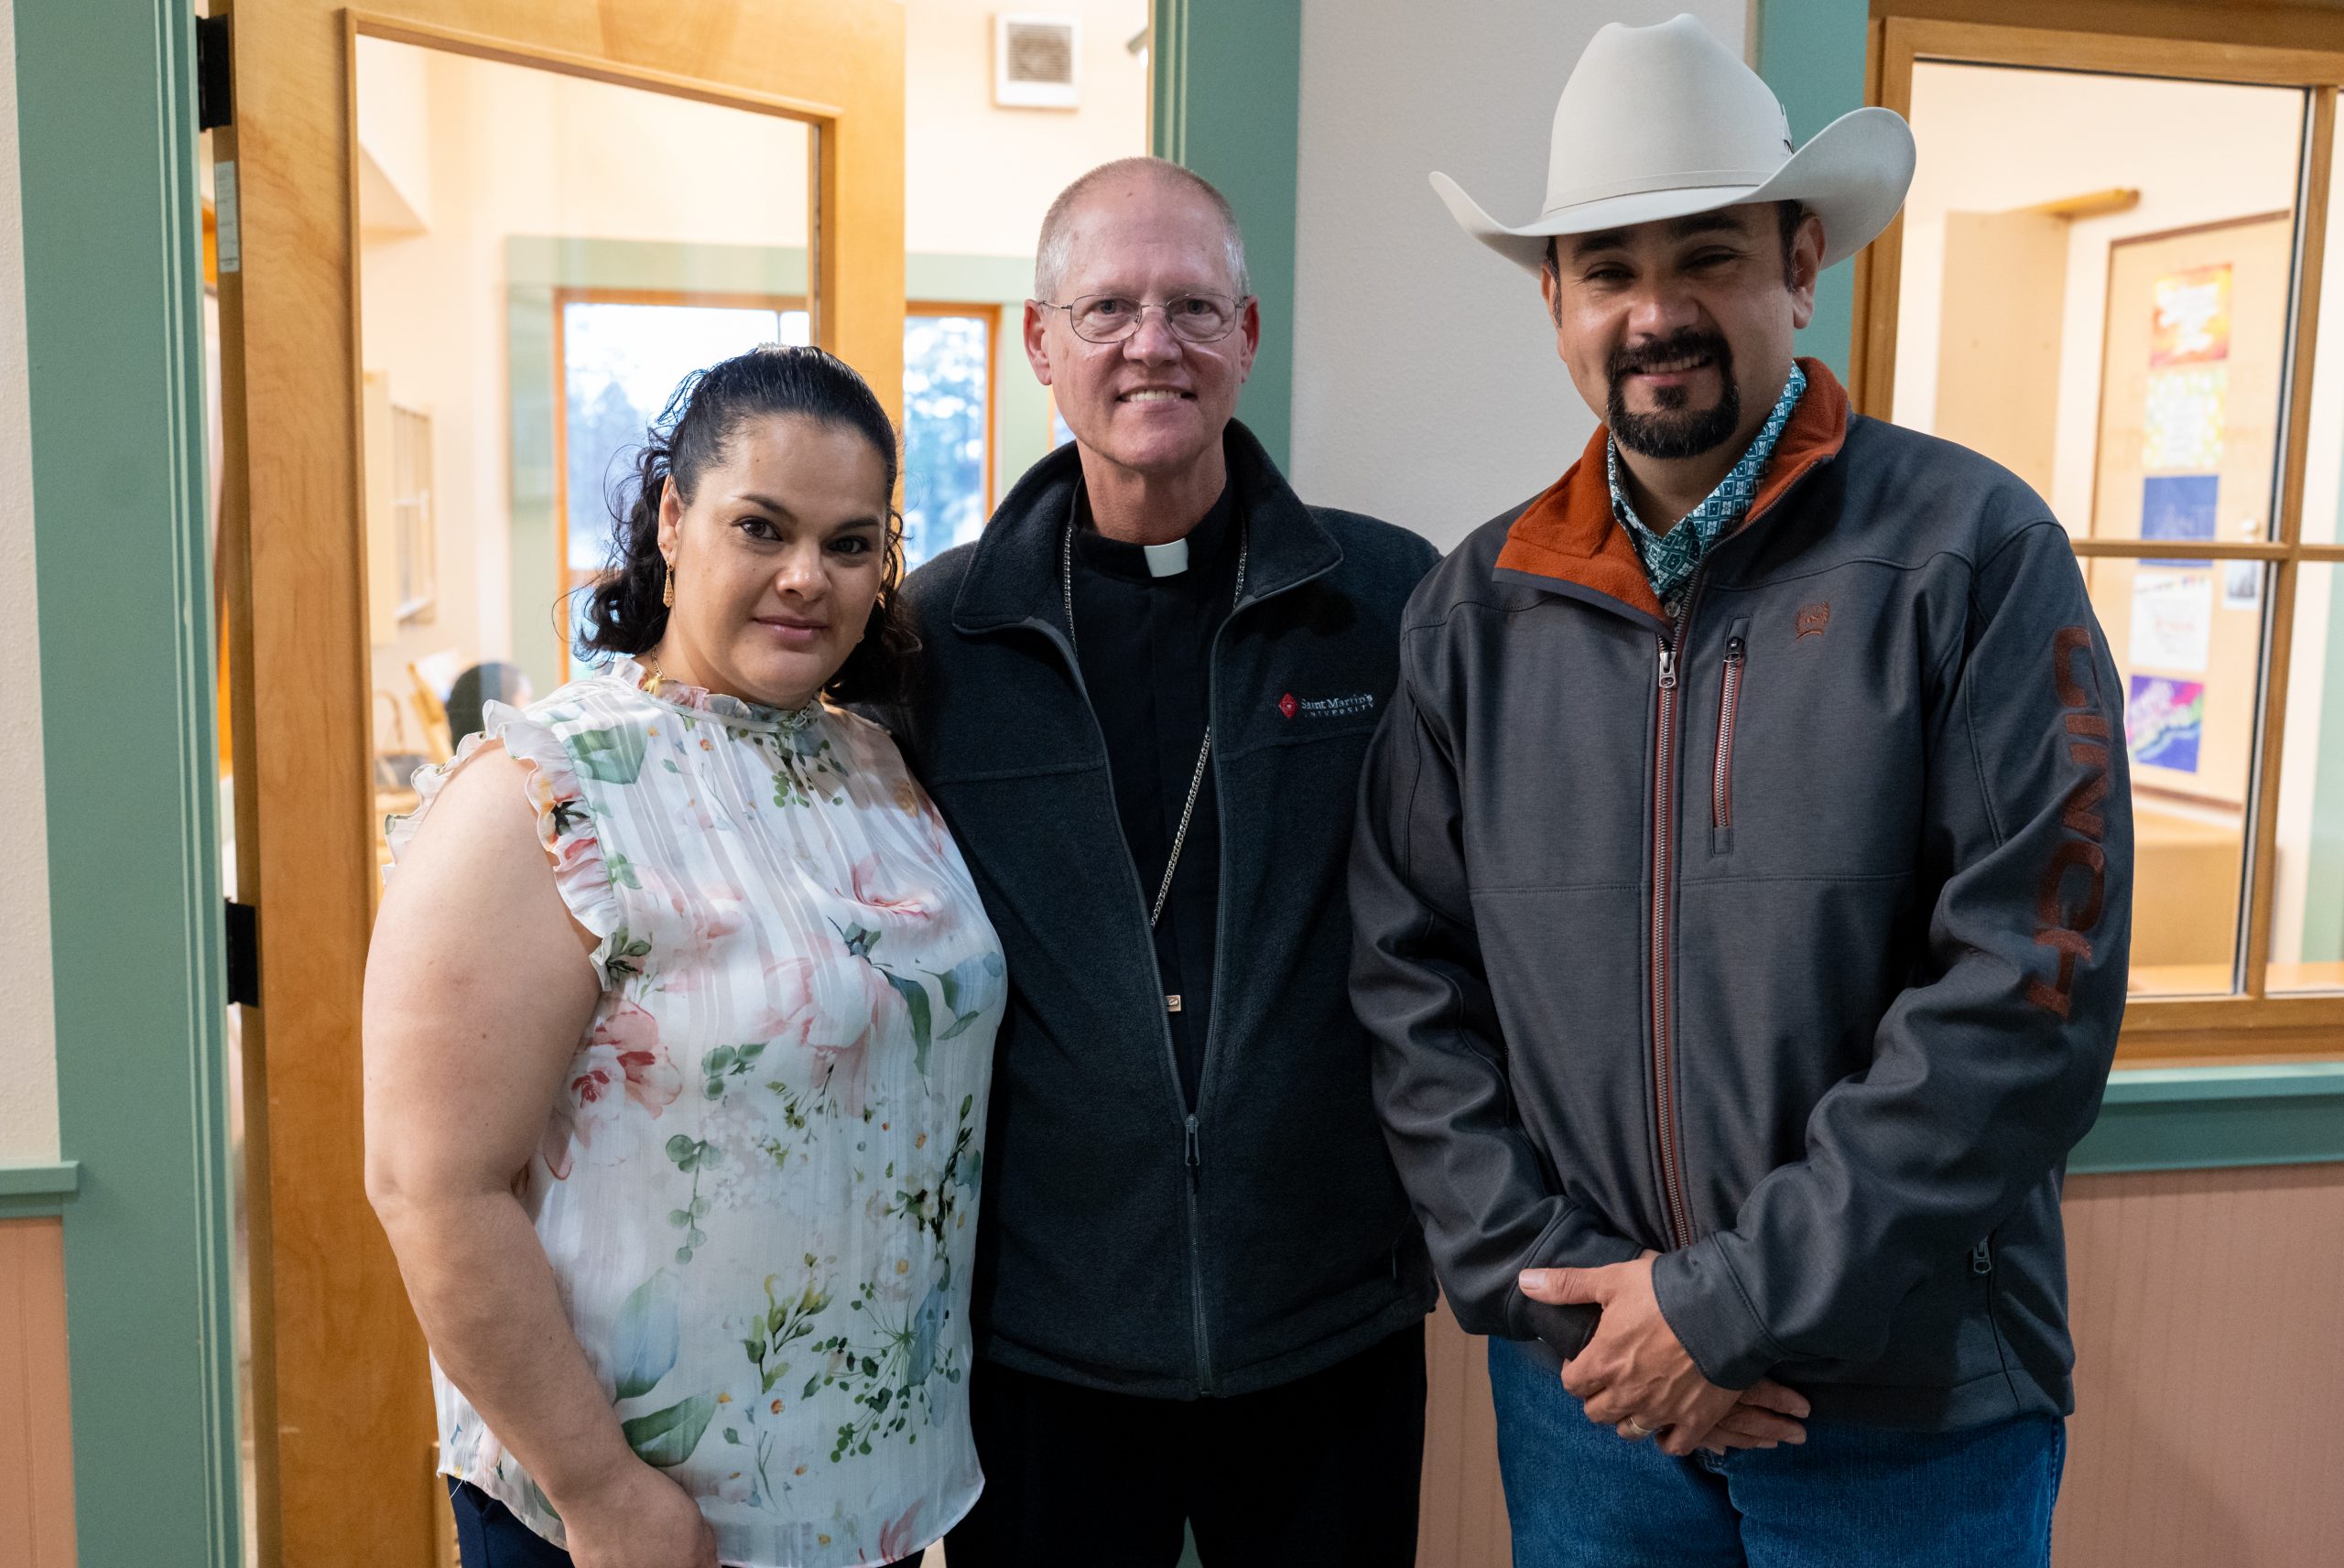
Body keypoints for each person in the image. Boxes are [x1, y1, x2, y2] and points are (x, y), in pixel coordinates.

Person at [1351, 16, 2130, 1567]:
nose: (1656, 312)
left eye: (1703, 256)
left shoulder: (1971, 556)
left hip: (1907, 1418)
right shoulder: (1471, 614)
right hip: (1590, 1409)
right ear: (1556, 302)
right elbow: (1408, 992)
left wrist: (1726, 1303)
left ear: (1798, 263)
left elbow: (2029, 989)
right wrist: (1579, 1303)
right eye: (1607, 270)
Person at [876, 157, 1439, 1565]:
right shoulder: (933, 642)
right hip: (1043, 1344)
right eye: (1109, 306)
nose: (1152, 343)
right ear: (1039, 343)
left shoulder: (1390, 604)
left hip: (1328, 1326)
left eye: (1193, 305)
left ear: (1247, 337)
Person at [364, 346, 1004, 1568]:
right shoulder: (541, 792)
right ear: (671, 516)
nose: (806, 577)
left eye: (852, 542)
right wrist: (601, 1489)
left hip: (870, 1506)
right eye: (761, 526)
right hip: (636, 1524)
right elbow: (429, 1182)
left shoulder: (878, 765)